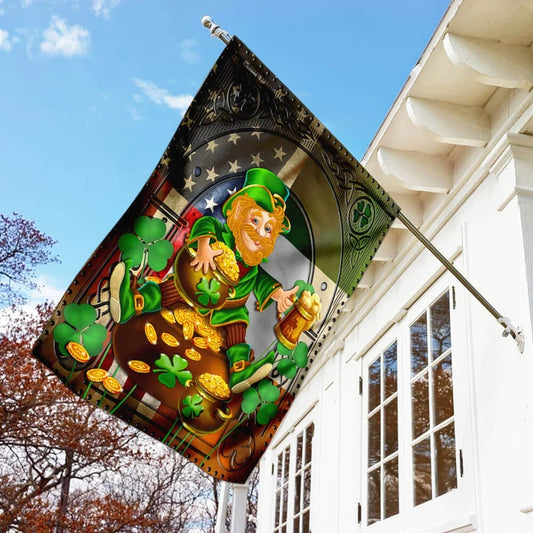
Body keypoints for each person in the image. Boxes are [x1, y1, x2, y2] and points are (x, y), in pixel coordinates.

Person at [109, 168, 297, 393]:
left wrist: (279, 294)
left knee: (237, 329)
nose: (260, 232)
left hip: (230, 308)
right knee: (170, 289)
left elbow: (262, 281)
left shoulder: (253, 266)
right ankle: (133, 302)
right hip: (196, 286)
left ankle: (239, 371)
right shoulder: (222, 234)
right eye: (255, 220)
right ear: (238, 213)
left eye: (268, 228)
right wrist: (204, 245)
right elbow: (206, 224)